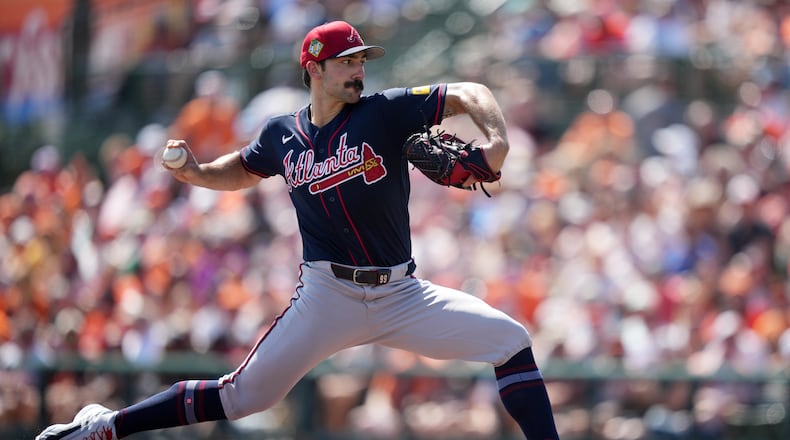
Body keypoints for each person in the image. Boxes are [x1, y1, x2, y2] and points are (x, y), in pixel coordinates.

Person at [36, 21, 559, 440]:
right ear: (315, 68)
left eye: (361, 60)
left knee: (511, 341)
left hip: (402, 292)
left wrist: (496, 140)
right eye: (347, 62)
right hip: (328, 295)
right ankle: (104, 427)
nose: (359, 70)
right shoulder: (281, 134)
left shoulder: (386, 111)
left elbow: (471, 91)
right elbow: (244, 167)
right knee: (244, 397)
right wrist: (195, 173)